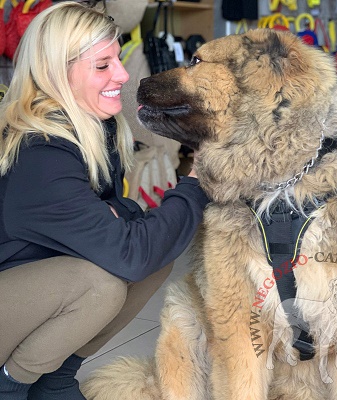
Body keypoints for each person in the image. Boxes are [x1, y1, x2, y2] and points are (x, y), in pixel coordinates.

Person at [0, 2, 210, 399]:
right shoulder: (42, 151)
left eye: (117, 58)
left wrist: (120, 215)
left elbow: (128, 222)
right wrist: (196, 181)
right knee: (100, 283)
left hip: (26, 282)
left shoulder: (96, 126)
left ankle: (56, 377)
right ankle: (10, 384)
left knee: (153, 254)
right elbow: (127, 252)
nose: (124, 74)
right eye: (103, 65)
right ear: (56, 74)